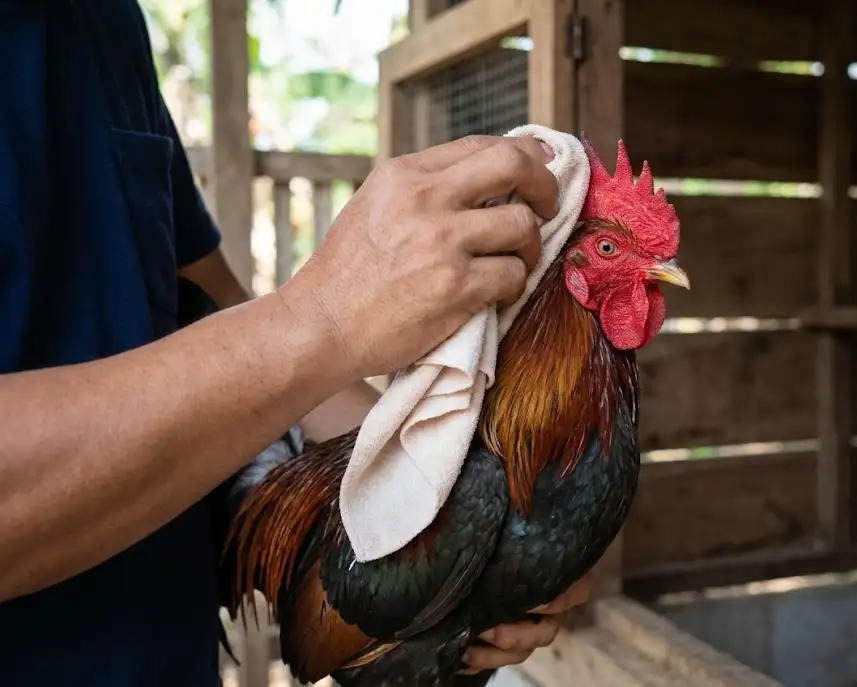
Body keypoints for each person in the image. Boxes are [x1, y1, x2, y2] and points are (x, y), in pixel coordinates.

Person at [0, 1, 590, 684]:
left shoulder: (101, 23)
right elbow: (293, 339)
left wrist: (456, 506)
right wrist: (325, 319)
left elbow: (206, 300)